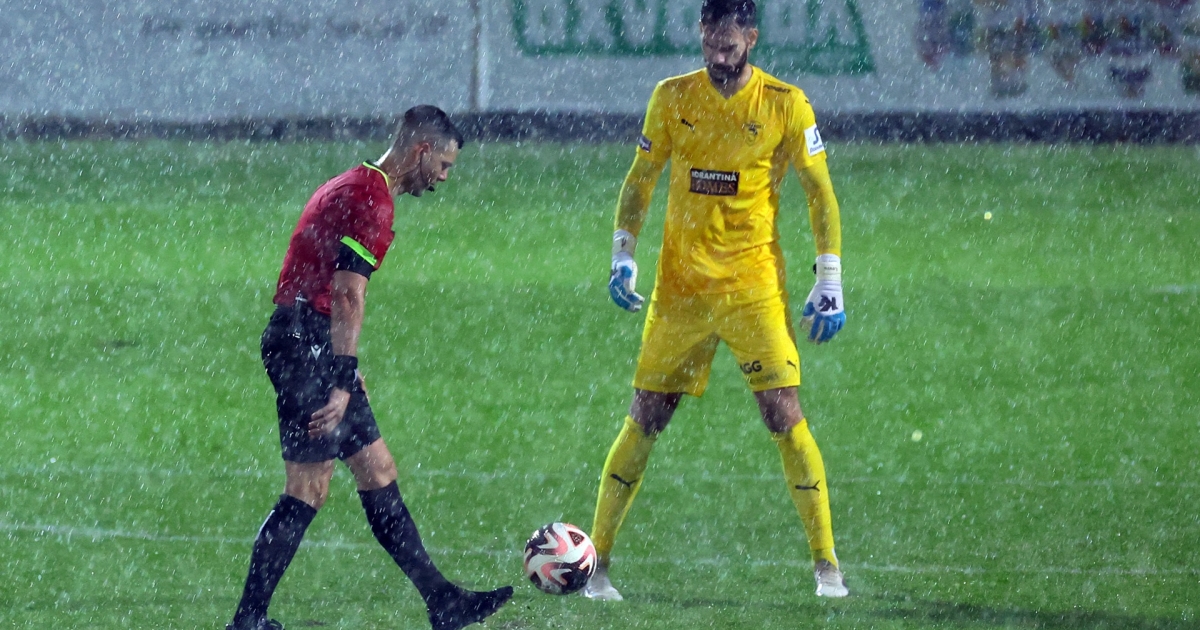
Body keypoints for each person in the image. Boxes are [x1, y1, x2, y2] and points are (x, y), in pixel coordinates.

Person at [585, 0, 850, 601]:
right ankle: (596, 565)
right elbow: (640, 178)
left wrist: (829, 277)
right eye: (710, 41)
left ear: (751, 38)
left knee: (784, 413)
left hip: (752, 290)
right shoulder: (672, 97)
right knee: (645, 417)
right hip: (680, 292)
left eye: (728, 45)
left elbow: (820, 191)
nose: (717, 54)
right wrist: (623, 252)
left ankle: (827, 566)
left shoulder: (785, 103)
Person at [227, 105, 513, 630]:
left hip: (304, 339)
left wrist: (339, 362)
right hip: (304, 343)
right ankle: (247, 620)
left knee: (377, 470)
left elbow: (322, 283)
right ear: (422, 151)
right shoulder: (372, 200)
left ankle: (443, 603)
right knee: (307, 487)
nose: (443, 178)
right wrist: (339, 376)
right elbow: (346, 293)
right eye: (444, 165)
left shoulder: (356, 183)